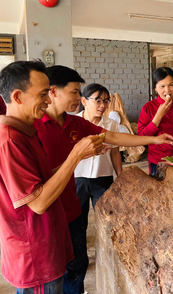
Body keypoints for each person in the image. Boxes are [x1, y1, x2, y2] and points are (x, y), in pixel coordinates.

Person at [33, 65, 173, 294]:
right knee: (50, 273)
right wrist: (77, 155)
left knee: (77, 262)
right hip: (45, 215)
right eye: (74, 92)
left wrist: (153, 139)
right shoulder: (33, 127)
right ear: (53, 92)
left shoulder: (74, 124)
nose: (78, 97)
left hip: (69, 206)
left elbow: (111, 137)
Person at [0, 61, 105, 293]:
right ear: (17, 97)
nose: (48, 100)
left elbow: (45, 178)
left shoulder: (26, 132)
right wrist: (76, 154)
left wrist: (76, 157)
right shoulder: (10, 141)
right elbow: (37, 202)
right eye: (43, 94)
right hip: (34, 257)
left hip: (48, 246)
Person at [74, 83, 122, 240]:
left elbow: (115, 152)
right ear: (84, 101)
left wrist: (120, 176)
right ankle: (79, 261)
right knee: (77, 222)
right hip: (77, 179)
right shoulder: (73, 123)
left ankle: (106, 258)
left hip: (103, 179)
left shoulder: (111, 124)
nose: (103, 105)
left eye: (106, 101)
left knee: (106, 220)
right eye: (98, 100)